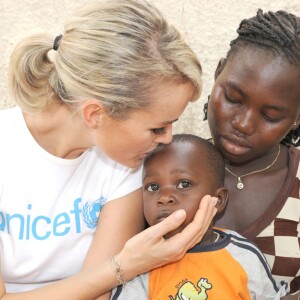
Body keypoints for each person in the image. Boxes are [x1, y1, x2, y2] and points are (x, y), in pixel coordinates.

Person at [0, 0, 218, 298]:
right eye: (157, 128)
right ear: (95, 114)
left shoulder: (126, 163)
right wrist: (125, 265)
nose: (167, 139)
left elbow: (97, 295)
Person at [111, 134, 287, 299]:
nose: (164, 197)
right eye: (152, 187)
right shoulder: (141, 262)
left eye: (183, 184)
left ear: (218, 200)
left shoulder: (243, 256)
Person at [203, 9, 300, 298]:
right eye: (233, 99)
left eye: (271, 116)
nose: (243, 124)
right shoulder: (168, 166)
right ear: (219, 72)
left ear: (297, 117)